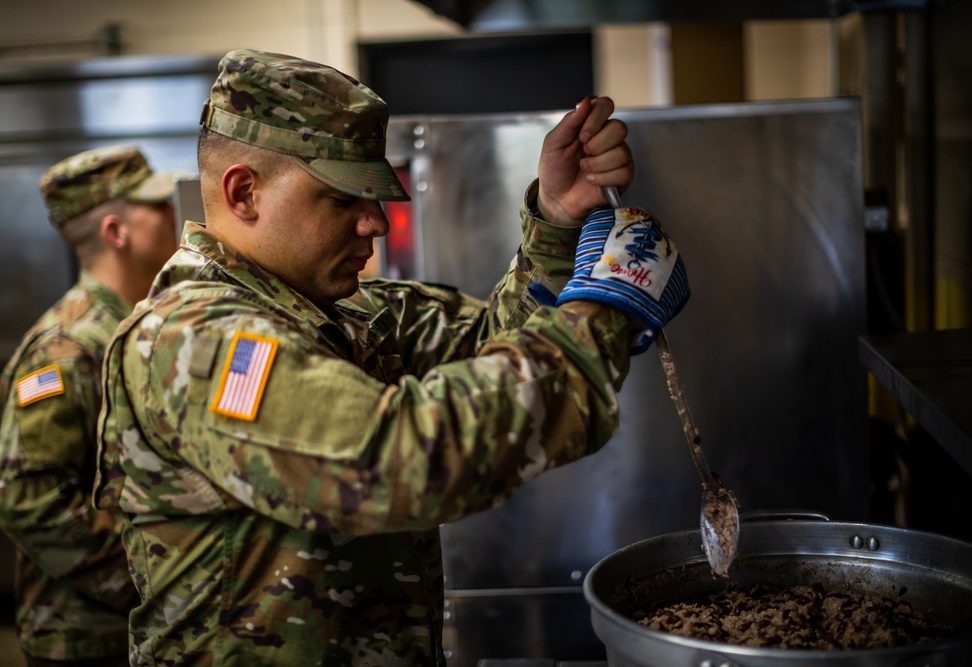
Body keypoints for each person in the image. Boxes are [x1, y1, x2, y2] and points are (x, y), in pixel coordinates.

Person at [93, 49, 689, 666]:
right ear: (244, 192)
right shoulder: (191, 340)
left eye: (374, 197)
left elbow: (496, 349)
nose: (375, 224)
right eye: (342, 199)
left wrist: (559, 221)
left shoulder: (347, 313)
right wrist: (606, 310)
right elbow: (389, 457)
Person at [0, 145, 180, 667]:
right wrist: (147, 582)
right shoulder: (66, 347)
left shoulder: (135, 325)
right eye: (157, 205)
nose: (174, 214)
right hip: (87, 638)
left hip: (136, 630)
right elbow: (29, 498)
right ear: (115, 232)